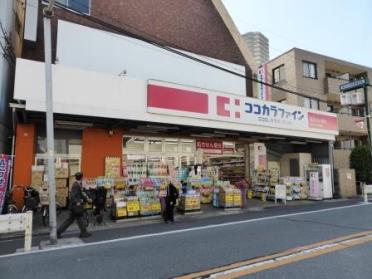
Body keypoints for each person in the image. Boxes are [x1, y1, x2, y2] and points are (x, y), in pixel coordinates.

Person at [57, 172, 92, 238]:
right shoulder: (76, 185)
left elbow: (81, 194)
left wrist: (87, 199)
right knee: (72, 220)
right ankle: (58, 232)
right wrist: (77, 202)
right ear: (81, 177)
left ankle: (83, 232)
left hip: (75, 206)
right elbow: (73, 195)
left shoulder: (78, 184)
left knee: (79, 219)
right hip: (75, 206)